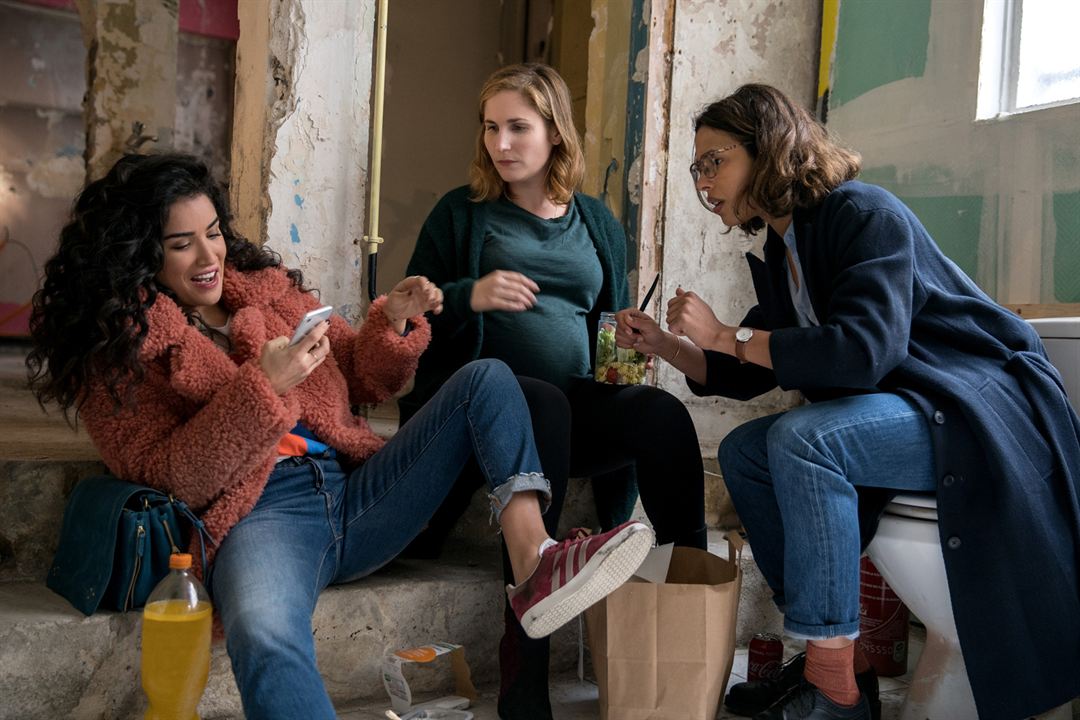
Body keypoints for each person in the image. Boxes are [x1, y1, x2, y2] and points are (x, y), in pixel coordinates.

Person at [26, 153, 655, 720]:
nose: (209, 256)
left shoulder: (264, 290)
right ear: (140, 252)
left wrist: (395, 321)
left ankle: (536, 560)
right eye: (182, 244)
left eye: (214, 233)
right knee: (265, 631)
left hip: (358, 488)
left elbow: (361, 376)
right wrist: (263, 389)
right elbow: (168, 476)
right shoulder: (124, 347)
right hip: (258, 518)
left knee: (486, 379)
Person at [618, 84, 1080, 720]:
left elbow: (865, 352)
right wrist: (671, 346)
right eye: (698, 167)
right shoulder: (788, 247)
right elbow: (753, 368)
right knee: (747, 451)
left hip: (973, 408)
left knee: (802, 439)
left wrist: (727, 333)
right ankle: (839, 663)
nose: (703, 181)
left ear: (767, 150)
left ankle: (833, 689)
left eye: (713, 161)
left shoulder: (865, 214)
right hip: (914, 407)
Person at [400, 63, 707, 720]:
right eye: (491, 128)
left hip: (571, 405)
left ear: (555, 134)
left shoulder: (595, 221)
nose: (500, 144)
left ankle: (692, 604)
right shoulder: (460, 214)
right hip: (485, 414)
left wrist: (632, 347)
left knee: (660, 413)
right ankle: (525, 672)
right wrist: (468, 295)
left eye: (518, 127)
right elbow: (401, 321)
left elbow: (611, 339)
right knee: (541, 401)